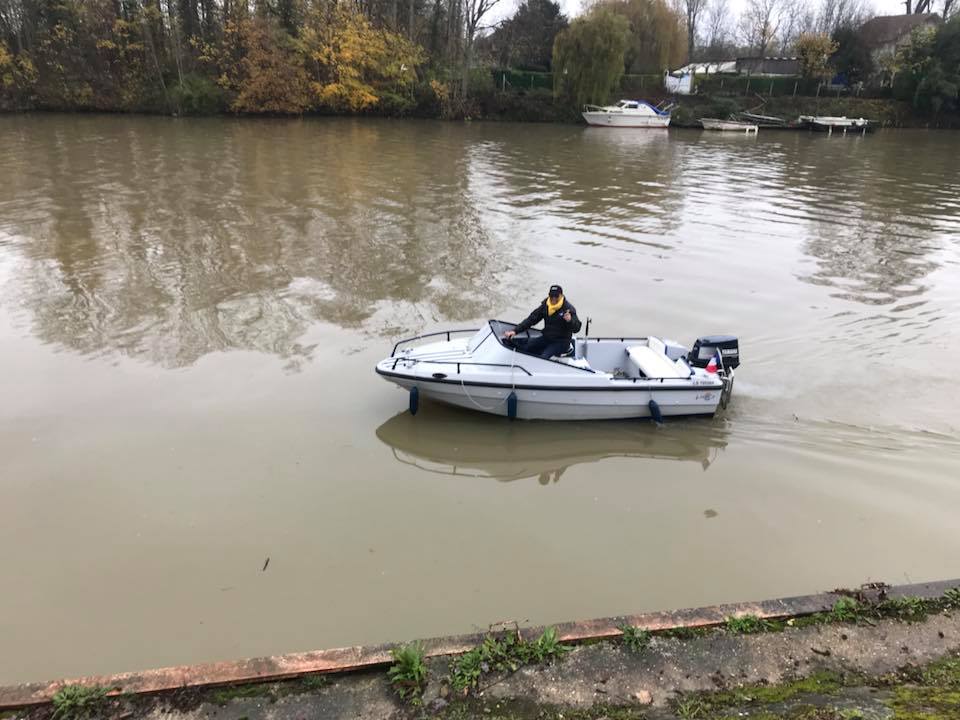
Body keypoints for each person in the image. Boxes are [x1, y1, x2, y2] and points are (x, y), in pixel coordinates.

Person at [504, 285, 582, 359]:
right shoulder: (545, 305)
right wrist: (515, 331)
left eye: (556, 296)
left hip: (561, 342)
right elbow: (531, 319)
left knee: (543, 357)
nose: (553, 298)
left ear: (561, 295)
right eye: (551, 296)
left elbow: (577, 329)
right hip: (547, 337)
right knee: (527, 347)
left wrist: (569, 321)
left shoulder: (568, 309)